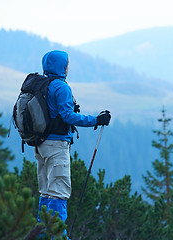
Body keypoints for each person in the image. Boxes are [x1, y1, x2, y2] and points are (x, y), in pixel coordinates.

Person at [34, 50, 111, 229]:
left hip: (40, 145)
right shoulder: (61, 87)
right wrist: (96, 120)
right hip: (56, 145)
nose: (68, 67)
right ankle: (58, 234)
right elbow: (68, 116)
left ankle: (44, 233)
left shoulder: (41, 84)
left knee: (46, 192)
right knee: (59, 192)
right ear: (62, 66)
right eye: (67, 63)